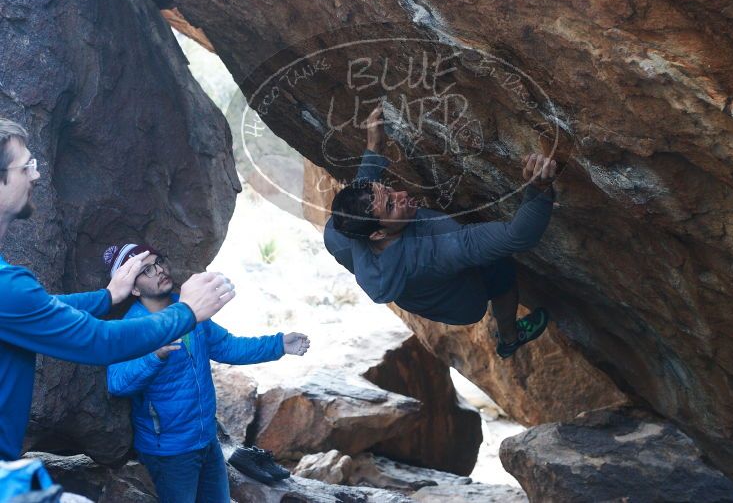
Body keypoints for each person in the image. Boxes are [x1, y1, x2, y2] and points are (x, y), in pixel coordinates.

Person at [0, 118, 235, 464]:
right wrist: (186, 312)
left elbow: (39, 309)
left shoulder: (11, 291)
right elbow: (100, 341)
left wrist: (108, 296)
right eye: (26, 167)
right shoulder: (8, 287)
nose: (36, 176)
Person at [325, 106, 557, 359]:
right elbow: (519, 237)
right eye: (392, 206)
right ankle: (510, 338)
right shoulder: (437, 249)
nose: (402, 195)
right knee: (501, 269)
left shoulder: (338, 234)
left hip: (418, 295)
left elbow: (365, 194)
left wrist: (374, 146)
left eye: (389, 191)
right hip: (462, 301)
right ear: (377, 235)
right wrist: (539, 188)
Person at [105, 243, 311, 502]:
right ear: (133, 288)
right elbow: (117, 384)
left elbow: (227, 346)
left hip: (206, 440)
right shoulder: (133, 327)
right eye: (146, 270)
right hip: (169, 451)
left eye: (159, 262)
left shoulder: (190, 310)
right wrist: (154, 355)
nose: (159, 271)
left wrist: (278, 344)